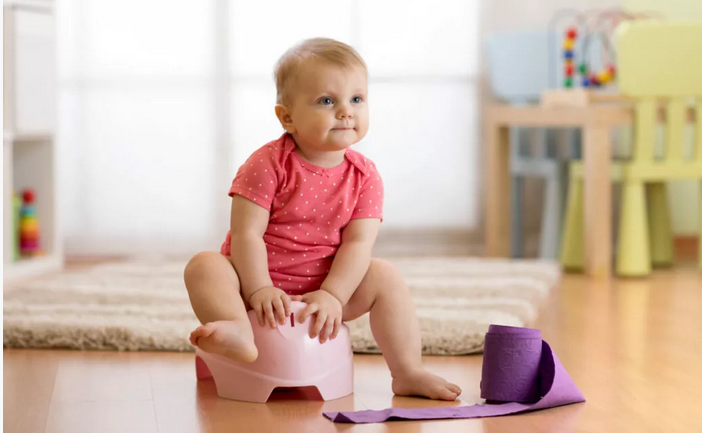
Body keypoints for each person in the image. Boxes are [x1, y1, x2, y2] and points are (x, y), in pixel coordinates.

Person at [184, 37, 461, 401]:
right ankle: (238, 329)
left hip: (326, 292)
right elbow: (246, 234)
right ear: (287, 117)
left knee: (385, 277)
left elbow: (358, 243)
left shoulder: (365, 176)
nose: (346, 111)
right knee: (204, 266)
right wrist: (259, 289)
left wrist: (333, 294)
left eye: (357, 99)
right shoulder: (267, 164)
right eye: (327, 101)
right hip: (253, 289)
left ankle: (407, 371)